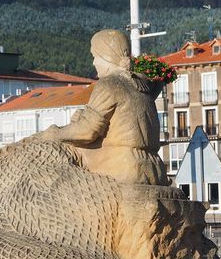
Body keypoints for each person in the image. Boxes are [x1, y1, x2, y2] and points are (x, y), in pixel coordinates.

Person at [42, 29, 168, 186]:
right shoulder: (142, 85)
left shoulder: (110, 84)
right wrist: (83, 117)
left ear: (106, 56)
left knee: (68, 153)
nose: (94, 63)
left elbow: (87, 132)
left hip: (123, 165)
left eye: (95, 57)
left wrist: (54, 133)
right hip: (154, 166)